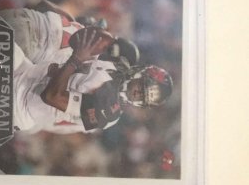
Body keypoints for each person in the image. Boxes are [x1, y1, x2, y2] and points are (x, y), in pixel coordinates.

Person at [12, 27, 173, 134]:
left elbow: (51, 96)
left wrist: (75, 59)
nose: (138, 93)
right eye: (142, 86)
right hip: (25, 69)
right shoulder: (117, 66)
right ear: (140, 74)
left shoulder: (110, 111)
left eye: (142, 97)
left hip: (19, 104)